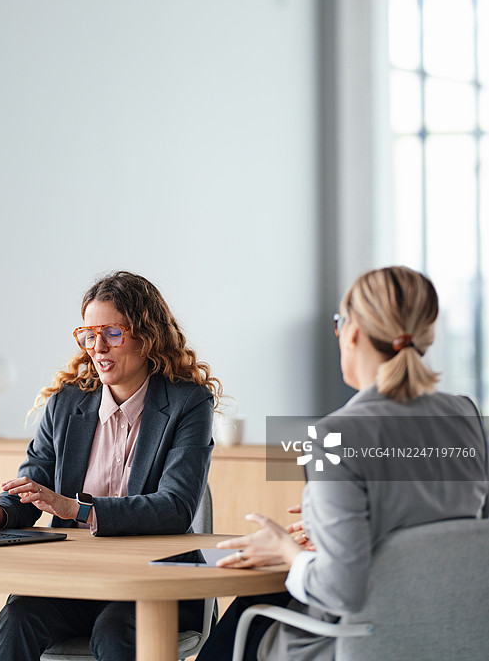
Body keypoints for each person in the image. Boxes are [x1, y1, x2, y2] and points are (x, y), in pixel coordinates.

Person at [196, 265, 489, 661]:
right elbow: (456, 532)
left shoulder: (336, 435)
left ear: (352, 332)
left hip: (358, 639)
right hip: (454, 633)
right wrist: (335, 523)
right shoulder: (465, 416)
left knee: (244, 616)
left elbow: (339, 590)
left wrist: (287, 550)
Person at [0, 270, 221, 661]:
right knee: (19, 615)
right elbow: (34, 487)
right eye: (89, 334)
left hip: (155, 583)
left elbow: (175, 508)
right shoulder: (66, 404)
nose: (98, 347)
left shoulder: (188, 404)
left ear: (147, 335)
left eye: (112, 333)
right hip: (76, 579)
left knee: (113, 631)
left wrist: (77, 509)